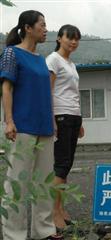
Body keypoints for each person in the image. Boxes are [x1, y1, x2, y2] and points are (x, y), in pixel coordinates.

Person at [0, 10, 63, 240]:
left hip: (44, 127)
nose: (46, 29)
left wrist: (53, 121)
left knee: (43, 184)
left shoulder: (40, 59)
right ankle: (13, 234)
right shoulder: (11, 54)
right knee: (17, 183)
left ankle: (43, 231)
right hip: (21, 127)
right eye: (42, 25)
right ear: (27, 28)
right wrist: (9, 121)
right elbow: (6, 88)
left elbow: (46, 94)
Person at [46, 24, 84, 230]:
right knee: (60, 166)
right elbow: (48, 90)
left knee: (66, 166)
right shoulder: (53, 59)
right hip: (60, 115)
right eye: (70, 37)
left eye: (77, 39)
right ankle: (53, 214)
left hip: (73, 116)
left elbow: (74, 93)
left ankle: (61, 208)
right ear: (59, 38)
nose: (74, 42)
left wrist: (81, 121)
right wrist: (51, 119)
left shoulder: (71, 64)